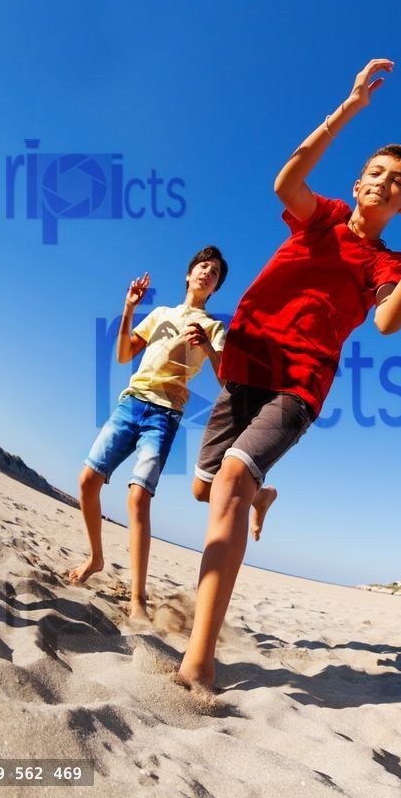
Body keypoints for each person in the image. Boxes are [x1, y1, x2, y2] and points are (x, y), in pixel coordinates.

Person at [177, 58, 401, 690]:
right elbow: (287, 180)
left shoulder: (387, 256)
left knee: (229, 479)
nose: (383, 183)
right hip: (244, 365)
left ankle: (199, 661)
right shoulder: (323, 215)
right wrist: (349, 107)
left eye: (397, 181)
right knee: (208, 491)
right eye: (376, 172)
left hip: (300, 383)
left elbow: (389, 321)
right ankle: (262, 493)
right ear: (359, 178)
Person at [69, 247, 228, 623]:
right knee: (88, 481)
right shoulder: (159, 314)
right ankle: (96, 557)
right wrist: (129, 307)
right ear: (189, 275)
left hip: (165, 414)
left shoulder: (214, 326)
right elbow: (125, 354)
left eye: (216, 273)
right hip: (131, 404)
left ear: (215, 287)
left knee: (139, 497)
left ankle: (137, 599)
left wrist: (206, 345)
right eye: (203, 267)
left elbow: (226, 379)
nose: (208, 273)